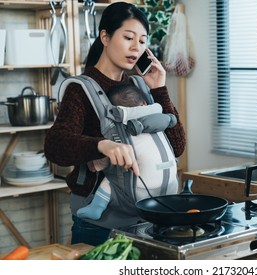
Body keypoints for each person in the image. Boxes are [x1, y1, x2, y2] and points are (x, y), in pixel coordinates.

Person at [44, 2, 186, 246]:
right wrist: (102, 145)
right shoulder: (81, 89)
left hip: (146, 220)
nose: (136, 47)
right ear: (105, 37)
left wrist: (160, 89)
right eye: (128, 37)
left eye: (142, 41)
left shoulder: (140, 86)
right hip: (100, 226)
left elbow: (176, 147)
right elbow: (55, 146)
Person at [76, 84, 178, 220]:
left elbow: (101, 163)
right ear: (144, 103)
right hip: (170, 188)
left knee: (110, 180)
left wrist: (96, 164)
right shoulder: (160, 119)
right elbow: (178, 148)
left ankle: (97, 207)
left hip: (137, 194)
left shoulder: (120, 130)